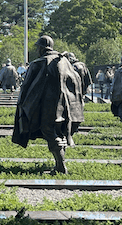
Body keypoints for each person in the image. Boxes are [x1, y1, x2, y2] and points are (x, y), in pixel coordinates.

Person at [11, 35, 81, 174]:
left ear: (42, 48)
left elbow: (26, 86)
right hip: (66, 105)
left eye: (38, 47)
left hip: (48, 106)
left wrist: (23, 105)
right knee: (59, 131)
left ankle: (61, 167)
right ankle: (59, 164)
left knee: (49, 130)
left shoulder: (39, 63)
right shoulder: (64, 61)